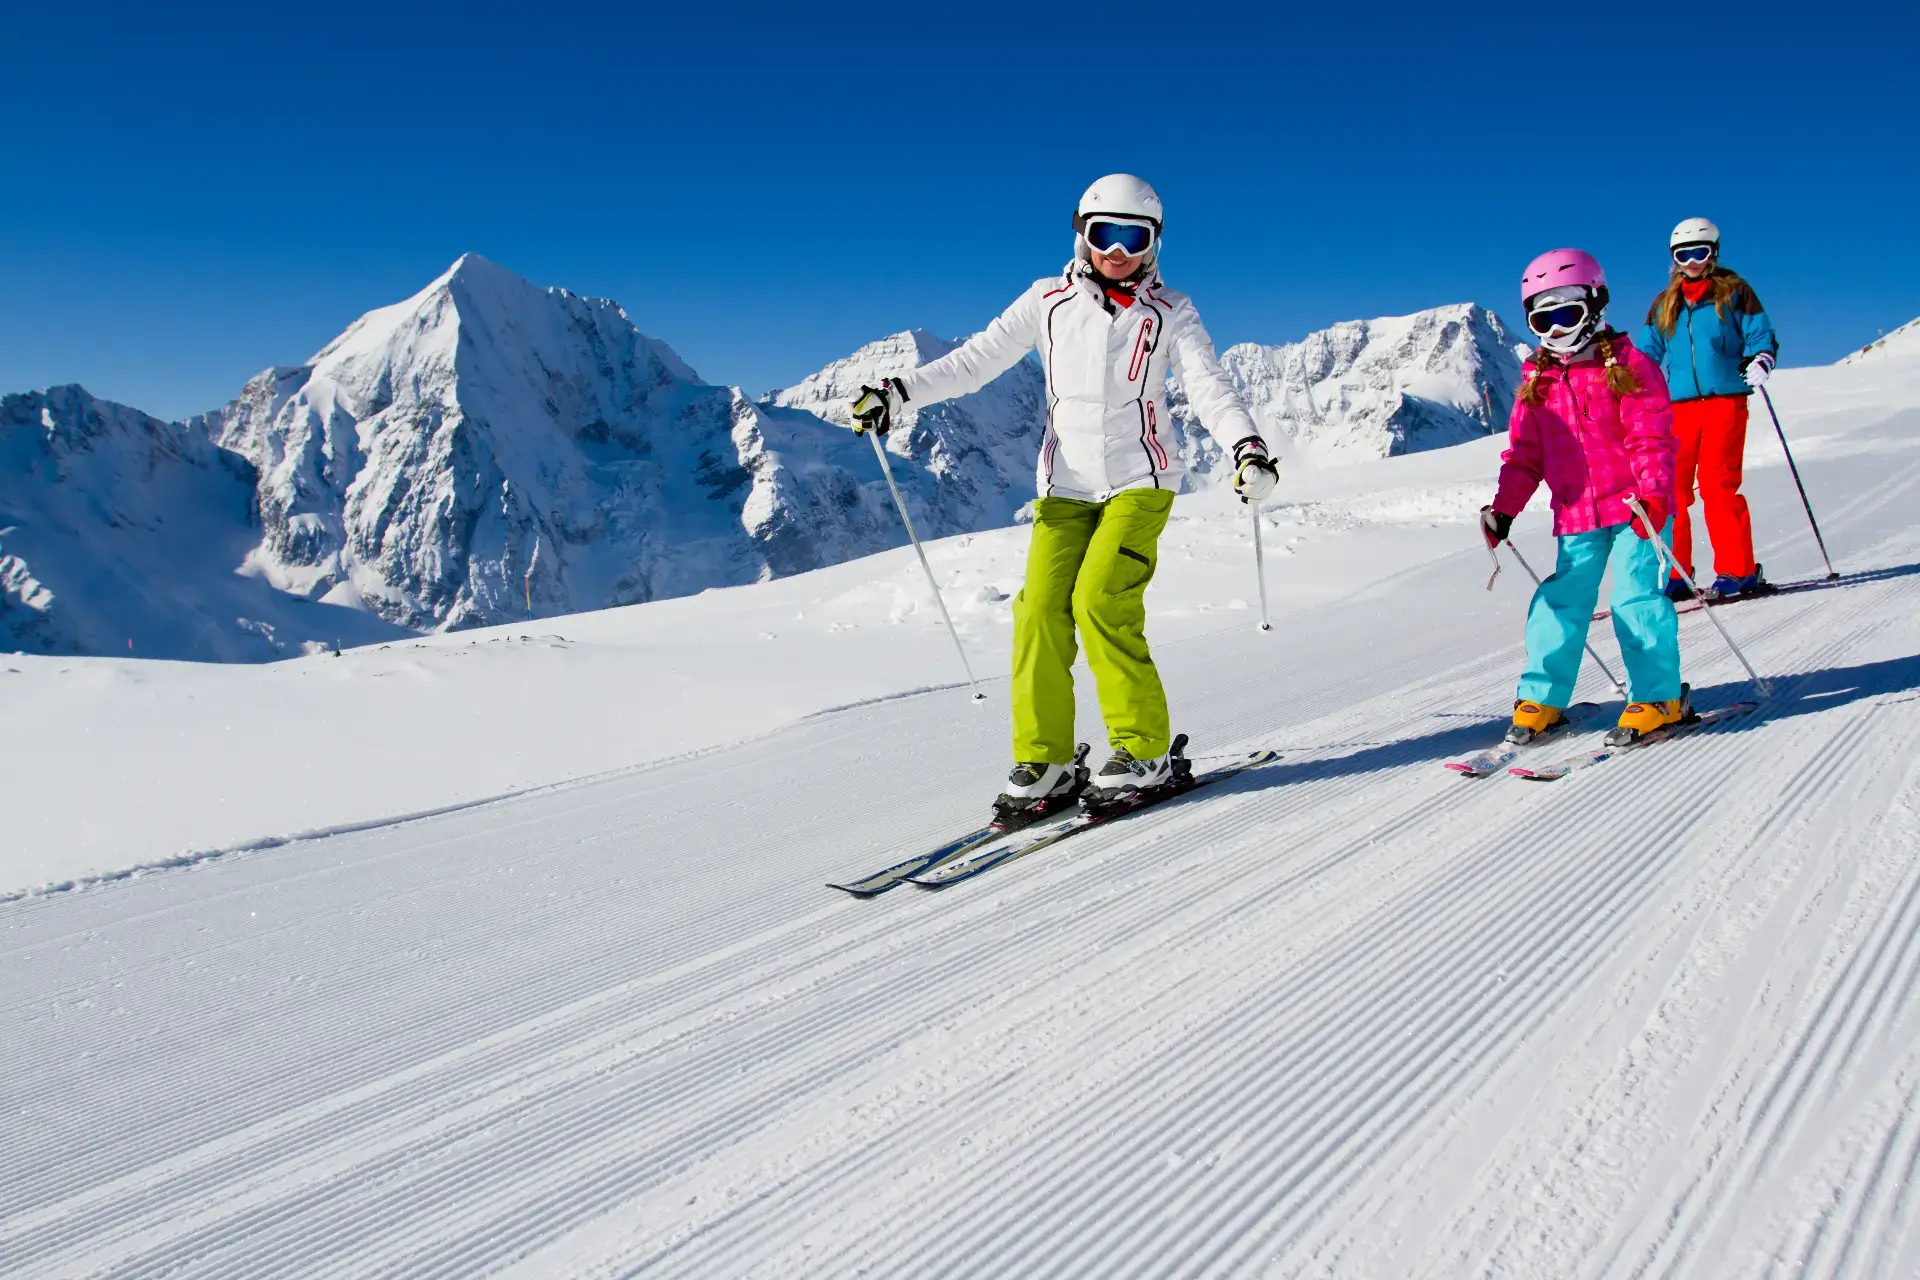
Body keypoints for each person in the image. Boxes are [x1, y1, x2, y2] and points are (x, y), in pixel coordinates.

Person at [848, 174, 1276, 819]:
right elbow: (975, 360)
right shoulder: (1047, 300)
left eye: (1135, 236)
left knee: (1100, 598)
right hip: (1065, 488)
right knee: (1039, 611)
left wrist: (1246, 448)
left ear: (1154, 241)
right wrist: (897, 391)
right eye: (1105, 234)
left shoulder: (1171, 312)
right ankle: (1046, 760)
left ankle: (1143, 750)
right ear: (1082, 233)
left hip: (1142, 478)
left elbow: (1210, 385)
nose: (1118, 251)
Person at [1480, 249, 1687, 748]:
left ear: (1595, 305)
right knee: (1559, 601)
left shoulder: (1631, 365)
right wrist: (1505, 508)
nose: (1555, 329)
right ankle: (1543, 699)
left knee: (1635, 598)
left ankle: (1660, 698)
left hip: (1639, 508)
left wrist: (1655, 495)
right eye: (1541, 318)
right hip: (1576, 514)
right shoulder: (1538, 380)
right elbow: (1525, 455)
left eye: (1566, 314)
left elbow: (1651, 438)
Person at [1638, 217, 1780, 600]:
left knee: (1719, 485)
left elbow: (1760, 334)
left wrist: (1761, 359)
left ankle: (1738, 571)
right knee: (1670, 492)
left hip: (1724, 401)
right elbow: (1648, 352)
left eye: (1698, 253)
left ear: (1713, 252)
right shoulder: (1666, 302)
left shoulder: (1733, 292)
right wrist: (1634, 381)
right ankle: (1675, 575)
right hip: (1678, 408)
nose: (1692, 262)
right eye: (1683, 255)